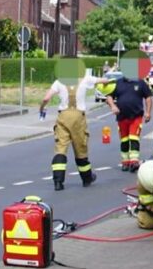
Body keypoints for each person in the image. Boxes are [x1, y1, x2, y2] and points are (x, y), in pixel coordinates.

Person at [39, 59, 110, 191]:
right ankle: (87, 178)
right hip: (78, 117)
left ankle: (58, 182)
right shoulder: (85, 79)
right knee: (80, 148)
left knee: (60, 148)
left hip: (63, 116)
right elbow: (104, 81)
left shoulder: (59, 82)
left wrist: (42, 108)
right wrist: (109, 79)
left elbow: (46, 98)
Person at [106, 70, 153, 172]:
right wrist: (113, 106)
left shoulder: (140, 83)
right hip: (122, 117)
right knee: (124, 140)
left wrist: (148, 112)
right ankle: (125, 162)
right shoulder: (118, 83)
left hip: (136, 116)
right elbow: (109, 96)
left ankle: (134, 161)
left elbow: (148, 97)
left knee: (134, 137)